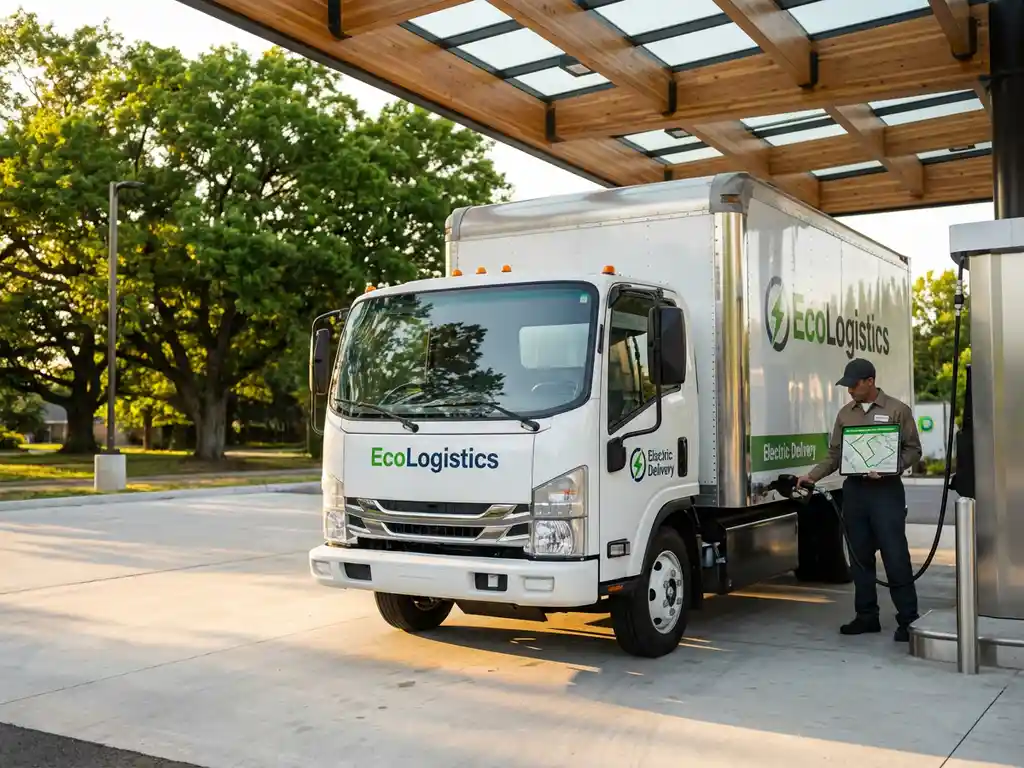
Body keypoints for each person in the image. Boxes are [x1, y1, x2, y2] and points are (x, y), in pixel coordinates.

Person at [797, 358, 922, 642]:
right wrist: (812, 476)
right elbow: (834, 455)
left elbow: (914, 450)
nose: (850, 390)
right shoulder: (845, 414)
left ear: (870, 381)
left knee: (895, 556)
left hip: (886, 492)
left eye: (854, 385)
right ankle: (867, 616)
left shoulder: (898, 410)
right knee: (859, 557)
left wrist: (893, 466)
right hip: (855, 492)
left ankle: (908, 620)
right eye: (847, 385)